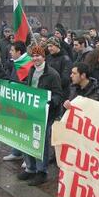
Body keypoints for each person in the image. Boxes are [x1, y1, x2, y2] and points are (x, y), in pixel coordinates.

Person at [17, 45, 62, 186]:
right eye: (33, 56)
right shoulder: (31, 70)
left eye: (38, 56)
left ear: (44, 57)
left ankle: (41, 172)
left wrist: (48, 103)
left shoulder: (52, 74)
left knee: (41, 143)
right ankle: (30, 168)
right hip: (31, 112)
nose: (35, 58)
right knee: (27, 139)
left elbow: (58, 95)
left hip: (45, 114)